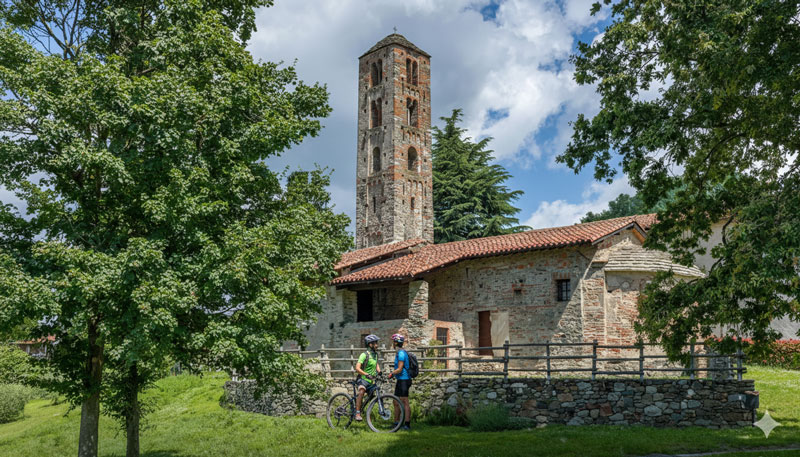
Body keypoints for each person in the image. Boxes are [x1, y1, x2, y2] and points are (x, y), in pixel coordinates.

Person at [354, 334, 381, 421]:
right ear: (370, 344)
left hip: (371, 381)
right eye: (375, 343)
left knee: (372, 395)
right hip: (363, 379)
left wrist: (380, 372)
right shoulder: (364, 355)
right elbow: (357, 368)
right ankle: (357, 413)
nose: (377, 345)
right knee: (361, 391)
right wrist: (365, 374)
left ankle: (363, 409)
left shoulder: (375, 355)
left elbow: (376, 364)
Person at [387, 333, 412, 430]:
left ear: (396, 342)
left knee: (405, 402)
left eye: (393, 341)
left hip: (404, 380)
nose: (393, 343)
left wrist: (391, 373)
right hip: (400, 380)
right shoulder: (400, 352)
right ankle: (396, 423)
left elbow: (400, 368)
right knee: (395, 401)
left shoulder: (401, 353)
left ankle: (407, 424)